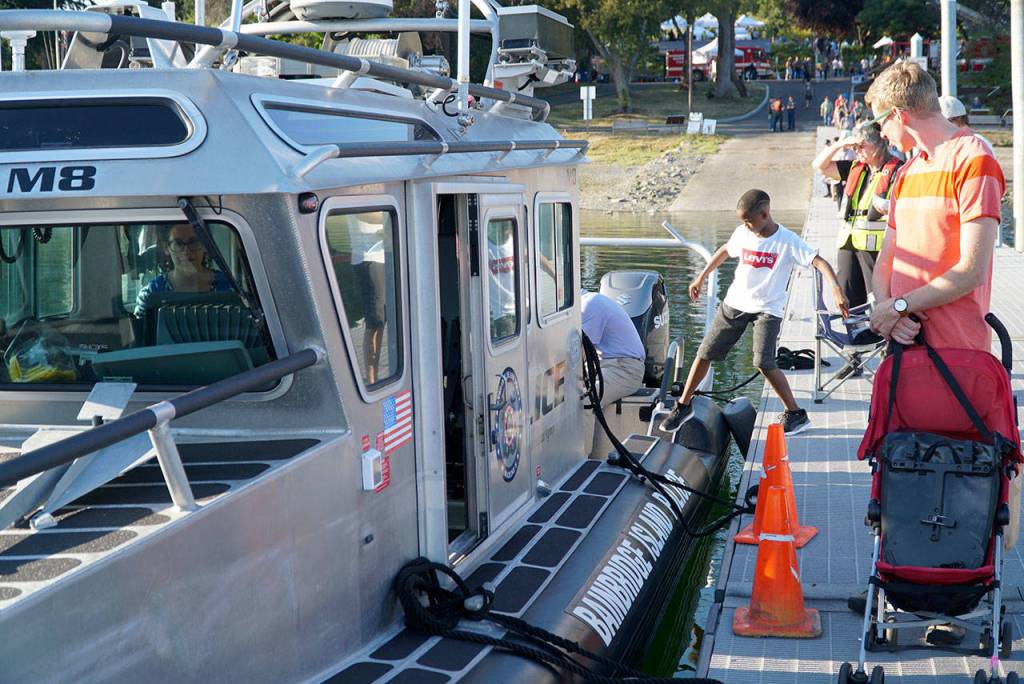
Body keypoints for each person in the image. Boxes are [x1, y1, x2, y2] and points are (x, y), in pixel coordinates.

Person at [865, 61, 1013, 549]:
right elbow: (889, 255)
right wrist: (887, 312)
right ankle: (907, 572)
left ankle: (959, 576)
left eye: (881, 122)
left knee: (961, 473)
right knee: (903, 467)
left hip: (959, 353)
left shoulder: (975, 158)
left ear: (900, 115)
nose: (880, 133)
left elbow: (972, 268)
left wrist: (901, 306)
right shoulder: (907, 172)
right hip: (906, 352)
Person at [659, 189, 849, 436]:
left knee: (763, 362)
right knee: (705, 352)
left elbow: (819, 261)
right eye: (743, 222)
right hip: (735, 303)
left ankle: (796, 414)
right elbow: (726, 250)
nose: (746, 226)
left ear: (765, 214)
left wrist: (835, 290)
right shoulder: (743, 233)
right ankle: (684, 406)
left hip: (768, 309)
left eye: (749, 221)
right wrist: (701, 276)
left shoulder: (788, 241)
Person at [812, 123, 904, 330]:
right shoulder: (856, 168)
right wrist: (841, 144)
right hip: (848, 242)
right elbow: (819, 165)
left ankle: (883, 339)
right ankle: (855, 337)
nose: (857, 150)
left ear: (879, 145)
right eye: (855, 147)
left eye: (862, 146)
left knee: (877, 295)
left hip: (875, 246)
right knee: (848, 294)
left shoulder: (897, 170)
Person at [581, 291, 645, 457]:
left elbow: (580, 354)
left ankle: (581, 459)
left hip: (626, 369)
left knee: (585, 399)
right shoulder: (588, 302)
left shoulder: (589, 305)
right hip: (606, 365)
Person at [135, 223, 233, 316]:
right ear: (166, 248)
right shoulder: (150, 294)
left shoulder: (230, 287)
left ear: (205, 245)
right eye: (178, 243)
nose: (186, 251)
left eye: (193, 242)